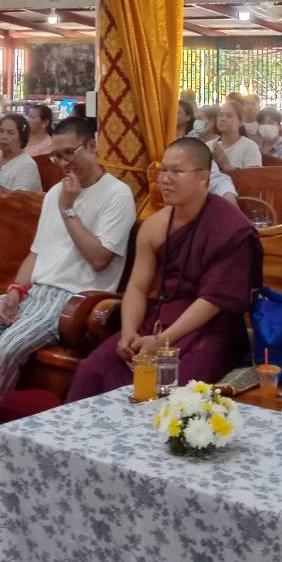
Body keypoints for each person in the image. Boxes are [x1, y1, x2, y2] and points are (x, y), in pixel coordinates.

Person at [0, 117, 137, 469]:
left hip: (72, 302)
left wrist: (69, 207)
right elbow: (36, 253)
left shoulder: (116, 194)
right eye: (56, 156)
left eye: (70, 154)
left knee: (8, 345)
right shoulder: (54, 194)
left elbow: (98, 259)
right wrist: (15, 290)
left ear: (93, 147)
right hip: (36, 294)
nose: (63, 164)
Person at [67, 137, 263, 399]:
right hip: (157, 322)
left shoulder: (231, 227)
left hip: (210, 329)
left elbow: (212, 300)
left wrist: (162, 342)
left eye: (177, 171)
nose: (165, 179)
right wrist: (129, 333)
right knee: (93, 371)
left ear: (204, 177)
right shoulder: (154, 226)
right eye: (164, 170)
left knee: (174, 387)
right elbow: (137, 286)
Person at [176, 101, 238, 201]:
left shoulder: (215, 144)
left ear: (212, 121)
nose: (196, 122)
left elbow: (217, 179)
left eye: (200, 119)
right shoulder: (191, 140)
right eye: (196, 119)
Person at [0, 114, 43, 192]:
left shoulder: (27, 165)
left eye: (10, 133)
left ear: (22, 138)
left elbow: (18, 200)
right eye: (1, 131)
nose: (3, 137)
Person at [209, 102, 262, 171]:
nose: (223, 119)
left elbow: (254, 178)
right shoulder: (209, 146)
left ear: (241, 121)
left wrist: (226, 165)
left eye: (229, 116)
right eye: (221, 115)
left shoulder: (250, 147)